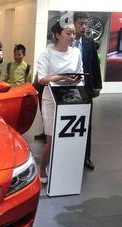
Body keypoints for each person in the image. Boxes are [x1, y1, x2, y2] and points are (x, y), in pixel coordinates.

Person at [37, 19, 83, 183]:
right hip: (50, 99)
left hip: (70, 98)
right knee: (50, 139)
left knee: (67, 138)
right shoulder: (47, 53)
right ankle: (42, 168)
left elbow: (80, 73)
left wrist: (76, 79)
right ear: (57, 35)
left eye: (73, 33)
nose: (72, 36)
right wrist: (62, 77)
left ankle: (60, 168)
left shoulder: (76, 52)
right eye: (68, 33)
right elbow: (42, 78)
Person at [73, 12, 103, 170]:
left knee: (87, 126)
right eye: (81, 23)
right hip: (69, 90)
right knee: (69, 124)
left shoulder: (90, 42)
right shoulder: (67, 41)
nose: (84, 27)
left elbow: (94, 67)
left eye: (86, 23)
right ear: (73, 24)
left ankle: (86, 157)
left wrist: (97, 86)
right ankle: (69, 154)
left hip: (86, 89)